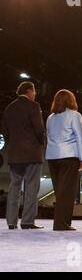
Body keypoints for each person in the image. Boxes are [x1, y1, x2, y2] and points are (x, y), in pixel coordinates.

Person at [1, 81, 45, 230]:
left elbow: (5, 131)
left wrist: (14, 142)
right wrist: (40, 142)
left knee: (14, 187)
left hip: (14, 154)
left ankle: (11, 222)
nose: (35, 94)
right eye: (34, 91)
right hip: (32, 153)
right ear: (29, 91)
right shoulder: (34, 106)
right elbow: (39, 130)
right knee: (31, 187)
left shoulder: (9, 108)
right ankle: (27, 221)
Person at [46, 89, 82, 231]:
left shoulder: (50, 118)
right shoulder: (75, 115)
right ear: (71, 101)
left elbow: (48, 137)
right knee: (67, 192)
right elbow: (80, 137)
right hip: (69, 156)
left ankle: (62, 223)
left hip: (52, 157)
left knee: (60, 192)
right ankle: (61, 224)